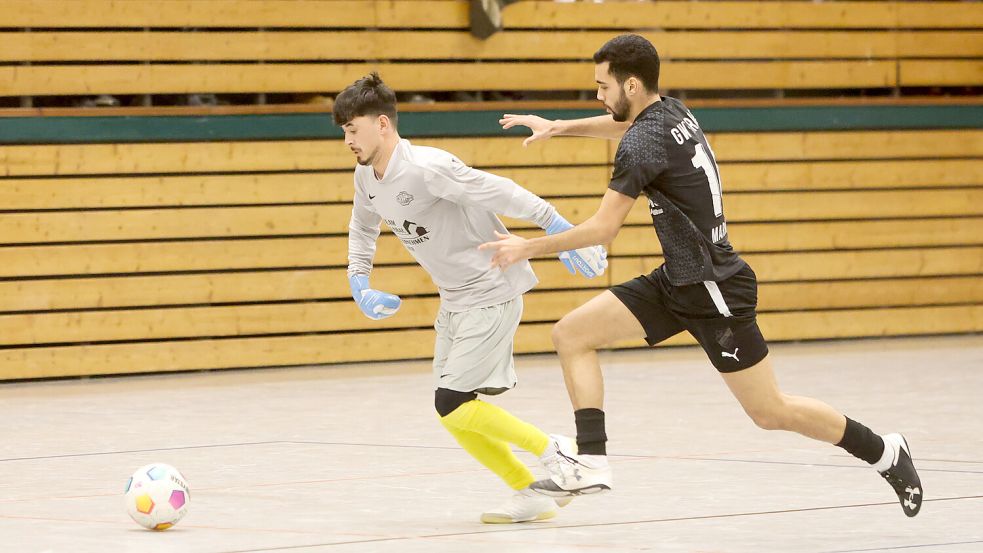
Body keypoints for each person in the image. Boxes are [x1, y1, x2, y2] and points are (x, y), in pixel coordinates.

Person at [479, 34, 923, 517]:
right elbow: (620, 127)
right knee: (571, 335)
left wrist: (529, 246)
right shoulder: (670, 111)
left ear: (630, 84)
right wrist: (559, 128)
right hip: (679, 279)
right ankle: (592, 462)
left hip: (714, 288)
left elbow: (604, 229)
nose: (599, 97)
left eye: (602, 87)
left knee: (770, 410)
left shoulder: (643, 141)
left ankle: (883, 450)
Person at [336, 72, 607, 523]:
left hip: (492, 290)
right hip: (456, 299)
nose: (347, 140)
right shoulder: (367, 177)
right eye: (343, 132)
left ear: (382, 124)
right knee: (451, 413)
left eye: (352, 129)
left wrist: (556, 224)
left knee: (453, 401)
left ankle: (555, 450)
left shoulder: (427, 167)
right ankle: (529, 492)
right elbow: (363, 226)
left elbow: (497, 189)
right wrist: (359, 281)